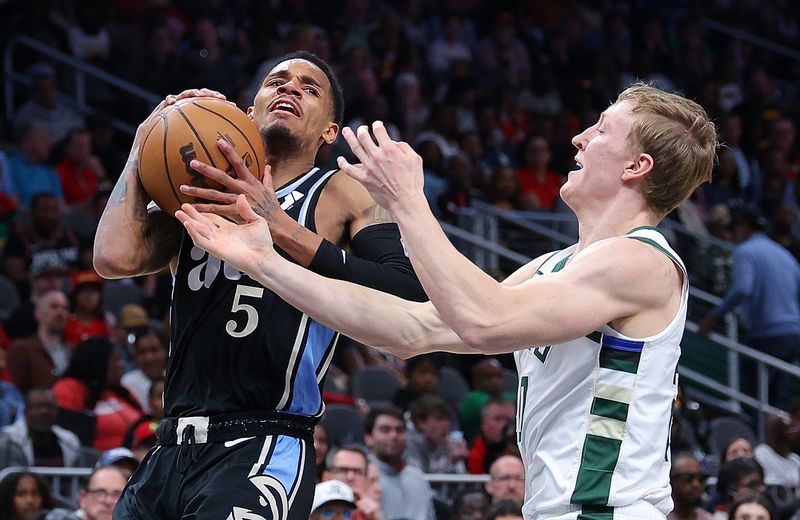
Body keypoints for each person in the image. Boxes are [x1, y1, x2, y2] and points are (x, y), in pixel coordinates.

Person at [177, 82, 718, 519]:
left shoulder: (642, 261)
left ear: (635, 167)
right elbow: (412, 332)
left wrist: (408, 202)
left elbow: (485, 321)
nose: (578, 138)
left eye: (600, 130)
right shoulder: (553, 268)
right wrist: (262, 263)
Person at [93, 50, 424, 520]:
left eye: (310, 89)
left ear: (330, 131)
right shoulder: (202, 192)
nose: (289, 88)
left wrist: (278, 224)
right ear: (248, 112)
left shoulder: (344, 191)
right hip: (170, 446)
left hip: (264, 440)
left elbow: (408, 291)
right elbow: (112, 257)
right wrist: (143, 146)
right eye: (276, 82)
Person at [698, 208, 800, 406]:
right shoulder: (786, 255)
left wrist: (714, 317)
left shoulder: (746, 251)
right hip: (793, 334)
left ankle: (754, 434)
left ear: (744, 227)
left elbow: (743, 288)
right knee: (773, 399)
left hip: (768, 334)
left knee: (752, 397)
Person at [51, 338, 143, 451]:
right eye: (116, 359)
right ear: (99, 362)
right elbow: (68, 434)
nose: (122, 365)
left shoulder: (119, 392)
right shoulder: (69, 388)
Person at [363, 405, 435, 520]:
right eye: (385, 430)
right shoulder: (362, 476)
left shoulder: (417, 477)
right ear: (369, 438)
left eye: (399, 430)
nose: (394, 436)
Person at [0, 388, 92, 468]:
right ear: (25, 411)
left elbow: (78, 480)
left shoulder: (70, 441)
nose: (45, 411)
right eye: (38, 406)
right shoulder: (9, 439)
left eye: (50, 406)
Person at [7, 291, 70, 394]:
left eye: (65, 308)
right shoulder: (21, 349)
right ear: (37, 313)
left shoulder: (72, 351)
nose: (60, 312)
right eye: (54, 307)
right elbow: (12, 393)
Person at [667, 452, 714, 520]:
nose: (696, 484)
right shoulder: (657, 516)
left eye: (701, 478)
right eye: (687, 478)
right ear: (670, 481)